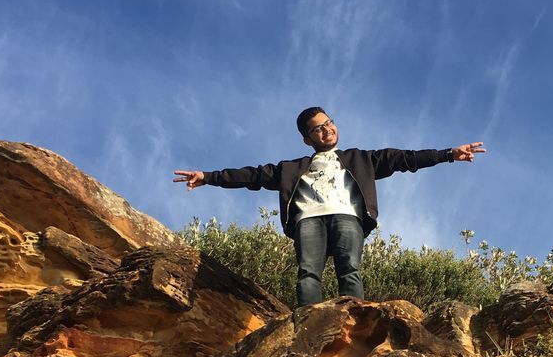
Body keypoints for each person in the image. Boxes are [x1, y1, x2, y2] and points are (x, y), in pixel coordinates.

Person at [174, 108, 485, 307]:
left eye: (329, 122)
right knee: (308, 273)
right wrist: (208, 177)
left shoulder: (361, 159)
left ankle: (354, 319)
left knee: (349, 270)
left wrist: (448, 154)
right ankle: (309, 322)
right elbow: (252, 176)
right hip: (308, 219)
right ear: (308, 139)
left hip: (347, 216)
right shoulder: (291, 168)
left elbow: (404, 159)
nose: (327, 130)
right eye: (318, 129)